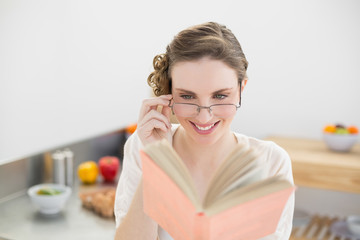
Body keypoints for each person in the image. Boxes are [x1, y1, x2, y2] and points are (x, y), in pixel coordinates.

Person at [114, 22, 294, 240]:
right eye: (188, 97)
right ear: (169, 92)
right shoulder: (143, 147)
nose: (204, 117)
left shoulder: (272, 163)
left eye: (220, 96)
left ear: (241, 89)